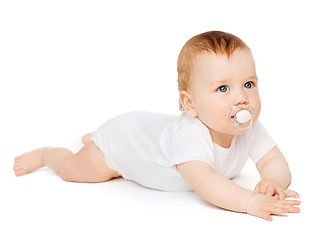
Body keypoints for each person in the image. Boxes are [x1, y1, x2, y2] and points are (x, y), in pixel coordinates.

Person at [13, 31, 300, 221]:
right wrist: (250, 202)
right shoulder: (190, 136)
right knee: (77, 171)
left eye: (248, 84)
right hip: (121, 143)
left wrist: (274, 182)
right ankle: (49, 154)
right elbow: (206, 183)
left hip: (146, 130)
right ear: (190, 105)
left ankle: (92, 138)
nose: (241, 98)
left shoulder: (248, 128)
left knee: (141, 136)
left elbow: (274, 160)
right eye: (223, 89)